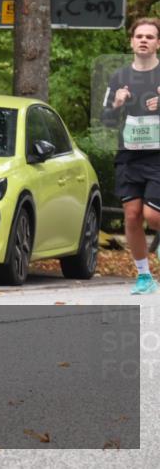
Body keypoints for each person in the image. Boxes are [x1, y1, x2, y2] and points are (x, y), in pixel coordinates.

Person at [101, 17, 160, 294]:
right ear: (132, 42)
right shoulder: (120, 78)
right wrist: (116, 103)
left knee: (153, 216)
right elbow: (106, 120)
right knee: (133, 216)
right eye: (139, 36)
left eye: (150, 36)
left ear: (158, 43)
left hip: (158, 157)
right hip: (129, 155)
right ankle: (144, 277)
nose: (144, 40)